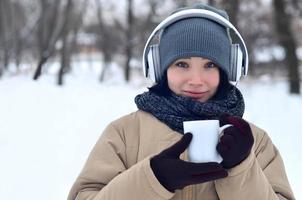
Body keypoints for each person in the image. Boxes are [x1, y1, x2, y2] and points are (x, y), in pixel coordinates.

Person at [67, 3, 295, 200]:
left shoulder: (255, 142)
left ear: (229, 69)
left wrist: (242, 169)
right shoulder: (125, 134)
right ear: (160, 68)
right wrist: (153, 178)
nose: (196, 80)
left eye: (210, 65)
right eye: (182, 64)